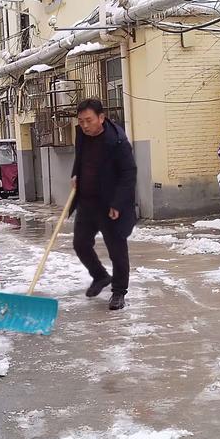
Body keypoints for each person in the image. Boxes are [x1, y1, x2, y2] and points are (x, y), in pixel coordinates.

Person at [70, 98, 137, 310]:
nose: (85, 125)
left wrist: (118, 203)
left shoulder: (117, 142)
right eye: (81, 121)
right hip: (87, 202)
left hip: (110, 205)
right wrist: (75, 175)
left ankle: (118, 292)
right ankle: (100, 276)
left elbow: (129, 174)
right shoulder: (81, 135)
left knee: (116, 250)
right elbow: (80, 159)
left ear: (101, 117)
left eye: (88, 120)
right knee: (80, 243)